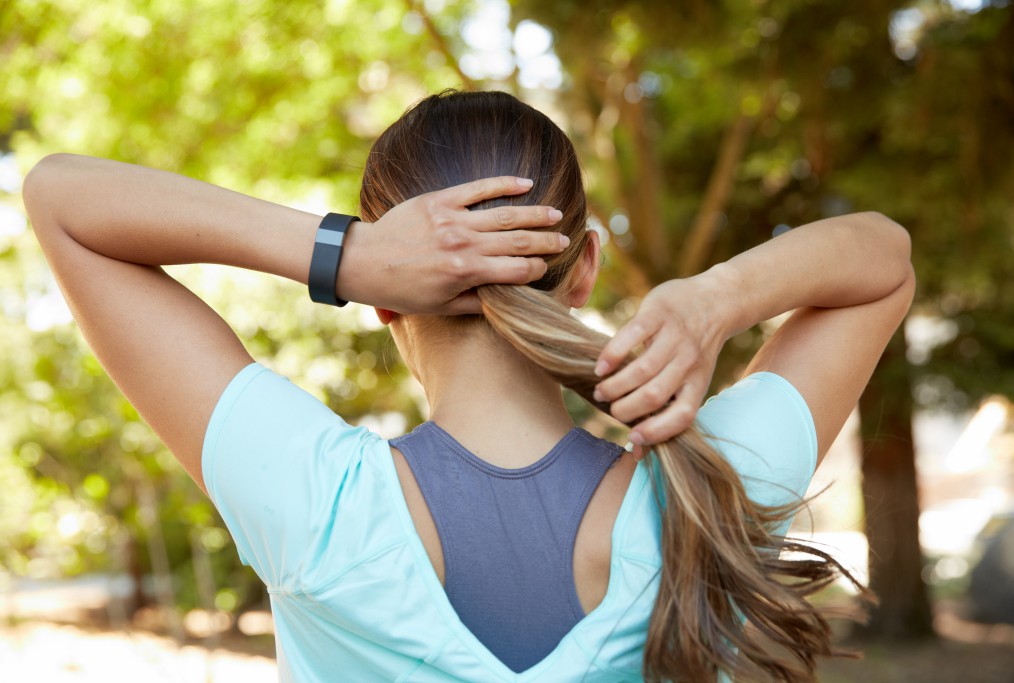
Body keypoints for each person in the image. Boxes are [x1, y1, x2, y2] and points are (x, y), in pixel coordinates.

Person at [23, 89, 914, 683]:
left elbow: (61, 197)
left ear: (381, 305)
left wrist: (346, 254)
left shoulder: (314, 504)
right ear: (586, 267)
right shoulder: (704, 490)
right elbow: (884, 259)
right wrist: (713, 302)